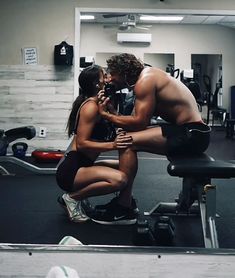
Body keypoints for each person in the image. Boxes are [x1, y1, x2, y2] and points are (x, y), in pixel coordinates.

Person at [90, 53, 211, 225]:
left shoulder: (145, 81)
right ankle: (125, 203)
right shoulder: (147, 76)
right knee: (127, 138)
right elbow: (131, 123)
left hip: (192, 134)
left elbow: (139, 123)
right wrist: (112, 112)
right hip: (188, 131)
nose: (109, 78)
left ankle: (124, 207)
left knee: (127, 142)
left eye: (112, 73)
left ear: (124, 73)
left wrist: (105, 115)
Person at [56, 64, 134, 224]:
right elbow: (83, 144)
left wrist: (111, 109)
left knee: (128, 166)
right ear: (96, 84)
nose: (108, 78)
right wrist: (113, 145)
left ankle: (124, 204)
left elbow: (120, 122)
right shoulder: (90, 107)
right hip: (71, 170)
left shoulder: (100, 103)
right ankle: (71, 198)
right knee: (119, 179)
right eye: (104, 76)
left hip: (85, 164)